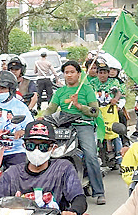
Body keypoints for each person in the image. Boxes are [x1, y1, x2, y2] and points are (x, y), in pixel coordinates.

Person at [41, 61, 105, 205]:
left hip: (84, 125)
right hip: (63, 127)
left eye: (72, 72)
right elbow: (50, 109)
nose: (69, 75)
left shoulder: (86, 90)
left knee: (90, 155)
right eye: (66, 72)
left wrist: (79, 106)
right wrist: (41, 118)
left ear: (78, 74)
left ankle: (99, 191)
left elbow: (95, 112)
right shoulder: (60, 92)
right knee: (48, 153)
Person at [0, 71, 35, 169]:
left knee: (18, 175)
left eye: (3, 88)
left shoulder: (20, 106)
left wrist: (22, 131)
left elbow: (30, 126)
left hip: (15, 150)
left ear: (11, 90)